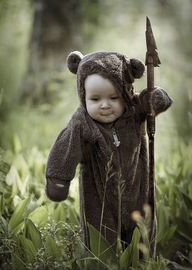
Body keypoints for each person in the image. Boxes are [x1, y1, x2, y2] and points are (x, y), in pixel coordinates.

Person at [45, 51, 172, 248]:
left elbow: (155, 99)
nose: (105, 105)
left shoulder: (134, 110)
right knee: (100, 239)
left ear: (126, 92)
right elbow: (66, 148)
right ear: (83, 96)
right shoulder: (82, 122)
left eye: (114, 97)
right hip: (99, 195)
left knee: (142, 233)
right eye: (95, 100)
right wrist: (58, 180)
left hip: (137, 187)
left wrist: (155, 100)